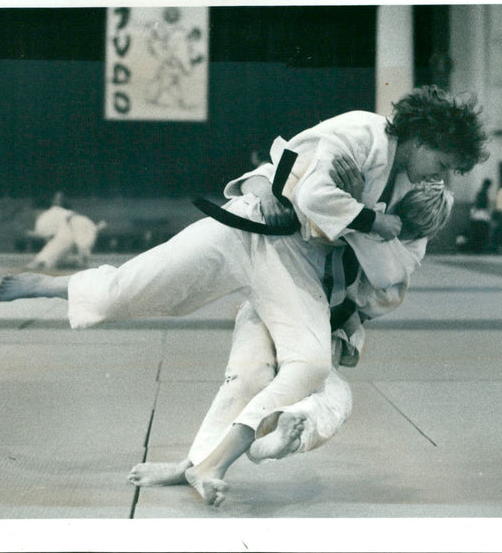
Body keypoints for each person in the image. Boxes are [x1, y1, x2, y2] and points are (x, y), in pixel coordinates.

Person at [0, 85, 488, 505]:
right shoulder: (363, 133)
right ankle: (55, 285)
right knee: (143, 284)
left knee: (280, 370)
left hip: (292, 265)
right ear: (423, 136)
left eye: (450, 173)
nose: (440, 177)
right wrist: (356, 213)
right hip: (248, 225)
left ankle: (202, 463)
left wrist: (360, 222)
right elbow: (296, 171)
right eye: (441, 162)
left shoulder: (413, 204)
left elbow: (379, 269)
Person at [127, 170, 455, 498]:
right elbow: (265, 175)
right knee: (248, 378)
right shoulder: (352, 190)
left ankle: (287, 430)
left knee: (323, 389)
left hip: (324, 323)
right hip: (270, 300)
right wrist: (268, 192)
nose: (400, 236)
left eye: (411, 234)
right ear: (394, 204)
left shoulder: (401, 262)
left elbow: (359, 311)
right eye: (402, 224)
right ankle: (196, 464)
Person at [26, 191, 107, 269]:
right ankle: (45, 261)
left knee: (56, 252)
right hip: (78, 224)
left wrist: (30, 233)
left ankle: (42, 261)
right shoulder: (58, 211)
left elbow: (48, 237)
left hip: (77, 225)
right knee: (69, 251)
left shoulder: (44, 218)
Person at [466, 178, 492, 253]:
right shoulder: (483, 193)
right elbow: (480, 204)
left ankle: (476, 248)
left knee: (477, 231)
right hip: (481, 213)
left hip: (479, 213)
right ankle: (479, 248)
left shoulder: (481, 193)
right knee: (481, 231)